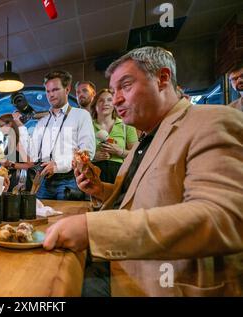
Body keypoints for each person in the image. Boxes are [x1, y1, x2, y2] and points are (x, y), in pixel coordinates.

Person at [43, 46, 243, 296]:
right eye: (114, 91)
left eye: (125, 86)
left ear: (162, 78)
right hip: (117, 266)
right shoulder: (144, 140)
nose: (116, 100)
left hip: (161, 282)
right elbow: (145, 198)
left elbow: (223, 218)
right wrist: (102, 190)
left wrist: (93, 229)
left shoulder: (212, 121)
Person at [18, 70, 95, 200]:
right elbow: (32, 152)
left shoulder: (81, 115)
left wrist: (58, 165)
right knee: (41, 217)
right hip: (43, 180)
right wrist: (20, 127)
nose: (51, 95)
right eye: (48, 91)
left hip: (70, 180)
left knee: (66, 219)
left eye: (55, 90)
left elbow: (87, 153)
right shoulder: (42, 122)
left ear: (67, 89)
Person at [90, 88, 138, 183]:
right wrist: (93, 157)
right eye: (101, 100)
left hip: (119, 175)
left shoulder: (126, 125)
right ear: (95, 105)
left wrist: (120, 151)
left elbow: (136, 154)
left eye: (109, 100)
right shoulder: (87, 125)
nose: (105, 103)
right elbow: (76, 153)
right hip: (93, 175)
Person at [0, 113, 33, 191]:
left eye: (2, 126)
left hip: (20, 181)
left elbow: (30, 164)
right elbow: (7, 163)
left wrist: (11, 164)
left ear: (10, 125)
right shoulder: (10, 140)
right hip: (12, 179)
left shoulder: (18, 142)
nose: (0, 129)